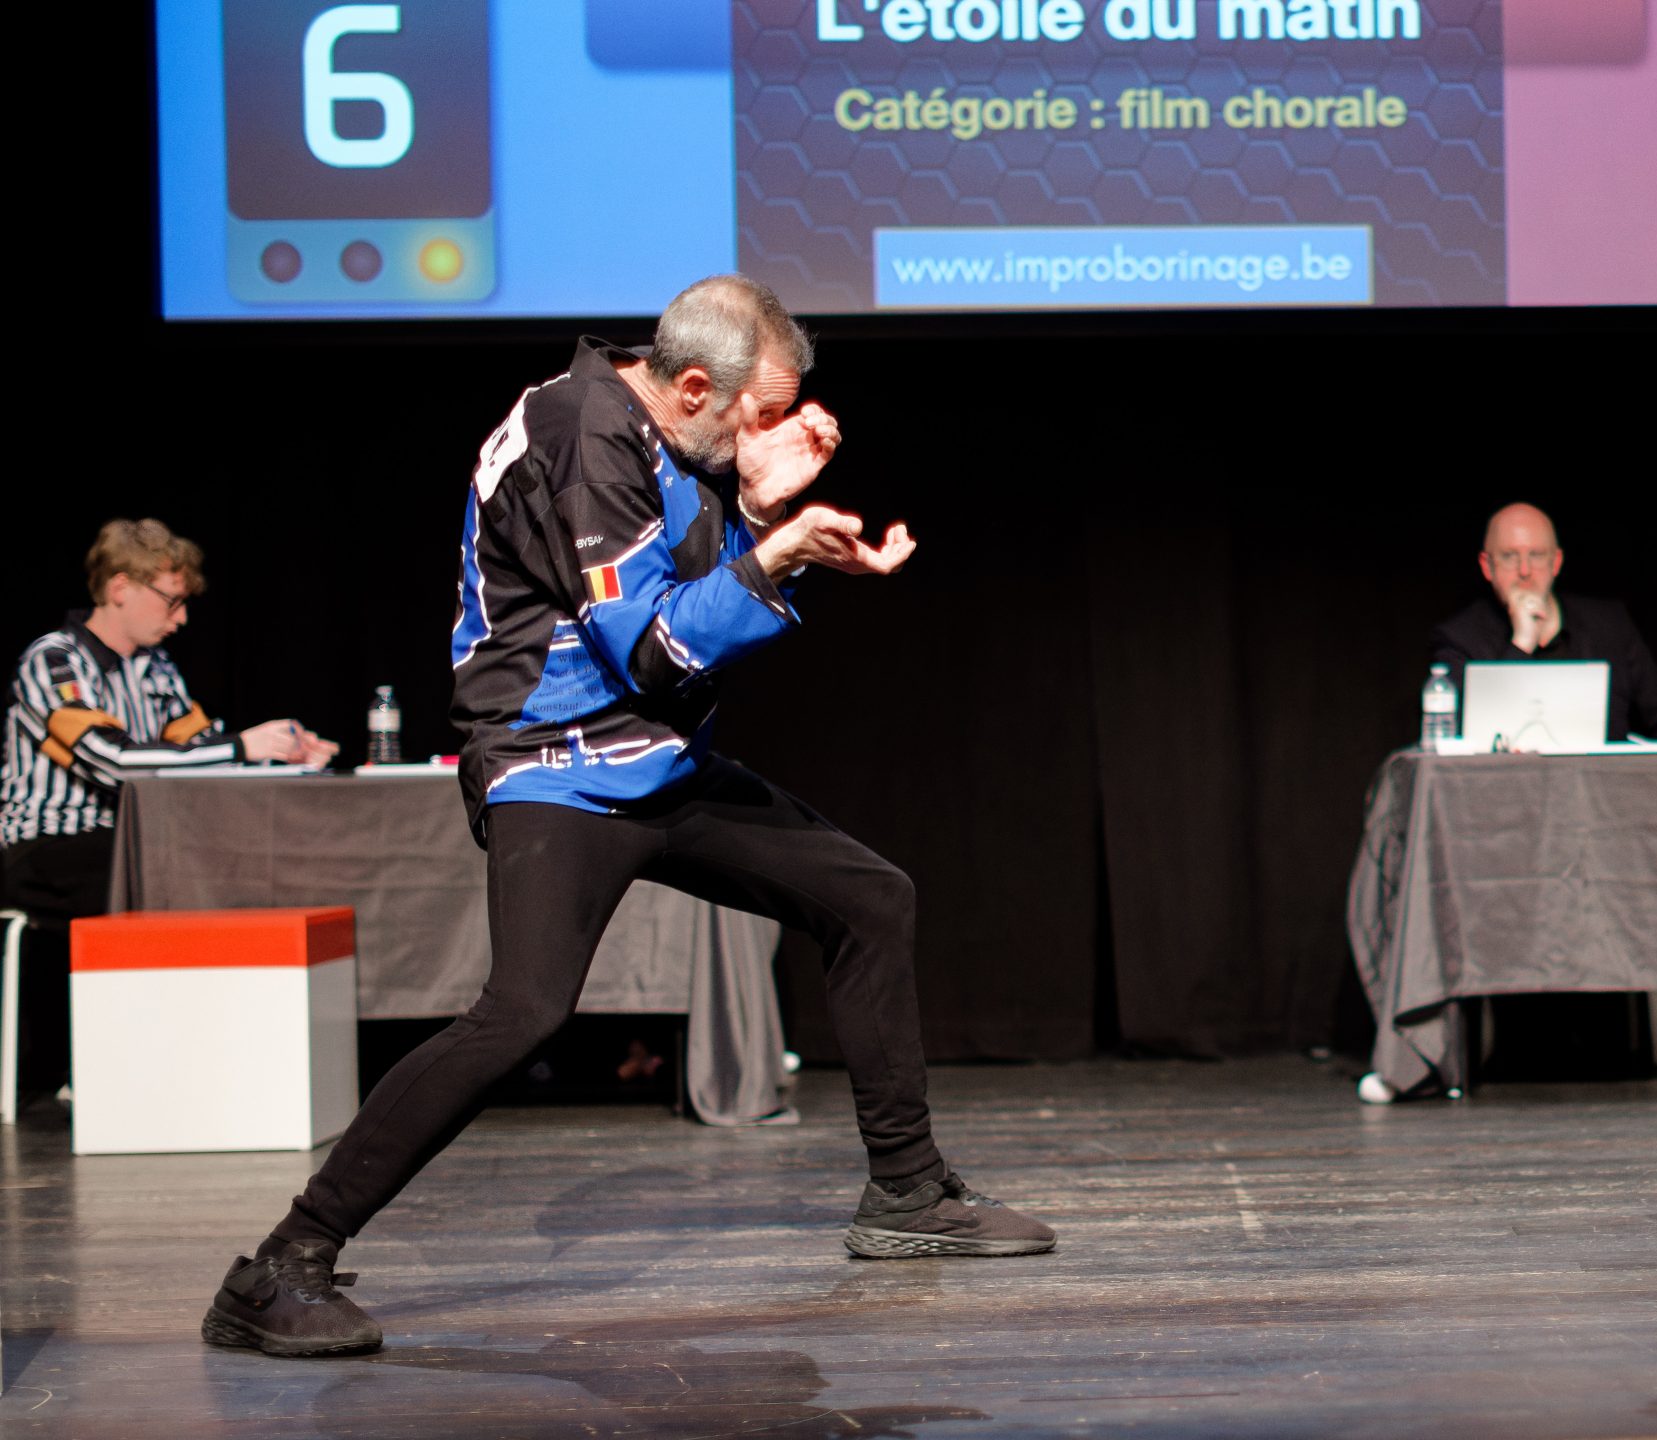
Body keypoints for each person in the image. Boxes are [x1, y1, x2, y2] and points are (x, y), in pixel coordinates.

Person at [201, 275, 1055, 1360]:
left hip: (654, 762)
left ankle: (908, 1194)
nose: (772, 433)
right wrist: (773, 550)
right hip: (556, 765)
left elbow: (681, 604)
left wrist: (757, 515)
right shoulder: (580, 430)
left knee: (868, 899)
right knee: (523, 1013)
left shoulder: (664, 440)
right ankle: (278, 1267)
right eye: (759, 414)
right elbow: (654, 648)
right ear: (695, 387)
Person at [2, 520, 336, 1107]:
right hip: (45, 845)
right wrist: (243, 746)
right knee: (166, 870)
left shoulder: (155, 668)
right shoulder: (53, 662)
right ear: (120, 587)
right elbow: (112, 761)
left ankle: (204, 1062)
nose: (180, 619)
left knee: (217, 863)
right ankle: (119, 1068)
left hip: (130, 842)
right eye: (171, 600)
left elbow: (200, 751)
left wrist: (282, 753)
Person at [1431, 503, 1657, 745]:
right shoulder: (1459, 638)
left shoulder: (1609, 624)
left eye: (1536, 555)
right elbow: (1458, 738)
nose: (1524, 570)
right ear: (1487, 566)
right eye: (1510, 556)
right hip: (1507, 783)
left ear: (1555, 562)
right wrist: (1522, 642)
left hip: (1604, 781)